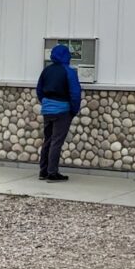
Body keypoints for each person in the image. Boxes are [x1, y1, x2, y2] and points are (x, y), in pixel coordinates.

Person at [36, 43, 82, 181]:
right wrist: (74, 110)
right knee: (56, 142)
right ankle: (52, 173)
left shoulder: (46, 71)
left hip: (47, 110)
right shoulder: (69, 71)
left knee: (48, 140)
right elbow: (75, 93)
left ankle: (43, 171)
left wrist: (46, 103)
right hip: (62, 110)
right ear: (66, 56)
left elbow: (39, 90)